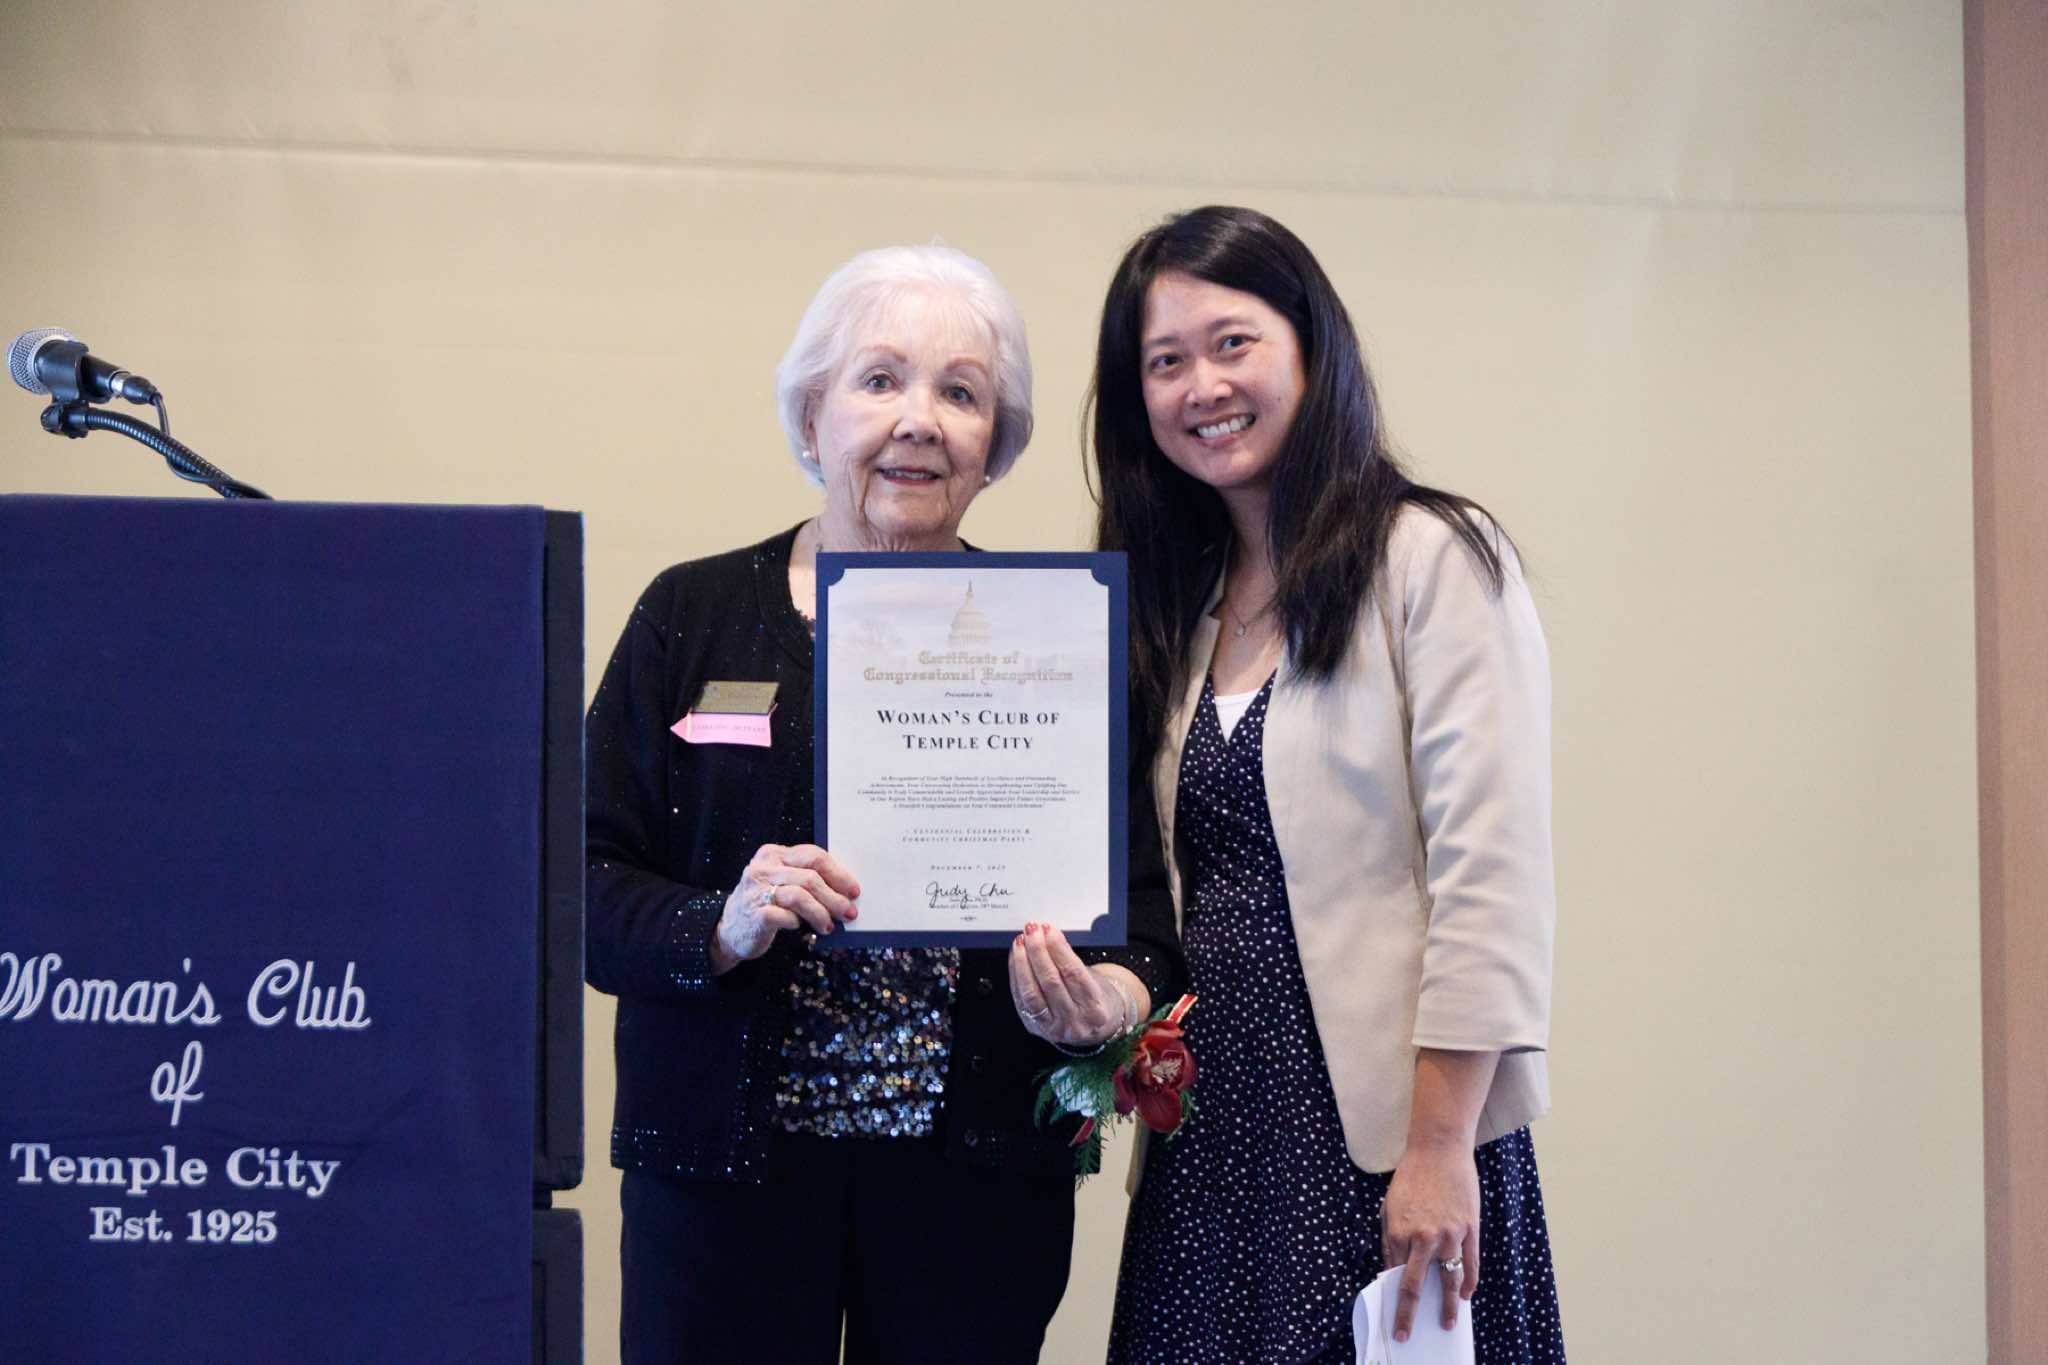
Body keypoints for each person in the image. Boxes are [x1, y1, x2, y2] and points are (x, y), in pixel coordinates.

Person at [584, 243, 1183, 1365]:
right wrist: (719, 925)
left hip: (974, 1185)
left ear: (995, 444)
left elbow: (1144, 916)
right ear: (812, 416)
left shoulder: (1055, 638)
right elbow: (577, 881)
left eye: (960, 393)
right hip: (725, 1180)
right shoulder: (691, 614)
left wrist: (1106, 999)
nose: (920, 421)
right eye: (878, 380)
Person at [1089, 206, 1565, 1364]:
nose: (1202, 386)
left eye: (1232, 343)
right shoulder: (1176, 601)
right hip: (1211, 1146)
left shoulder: (1431, 557)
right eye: (1164, 362)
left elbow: (1490, 877)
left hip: (1385, 1142)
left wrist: (1438, 1147)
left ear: (1310, 348)